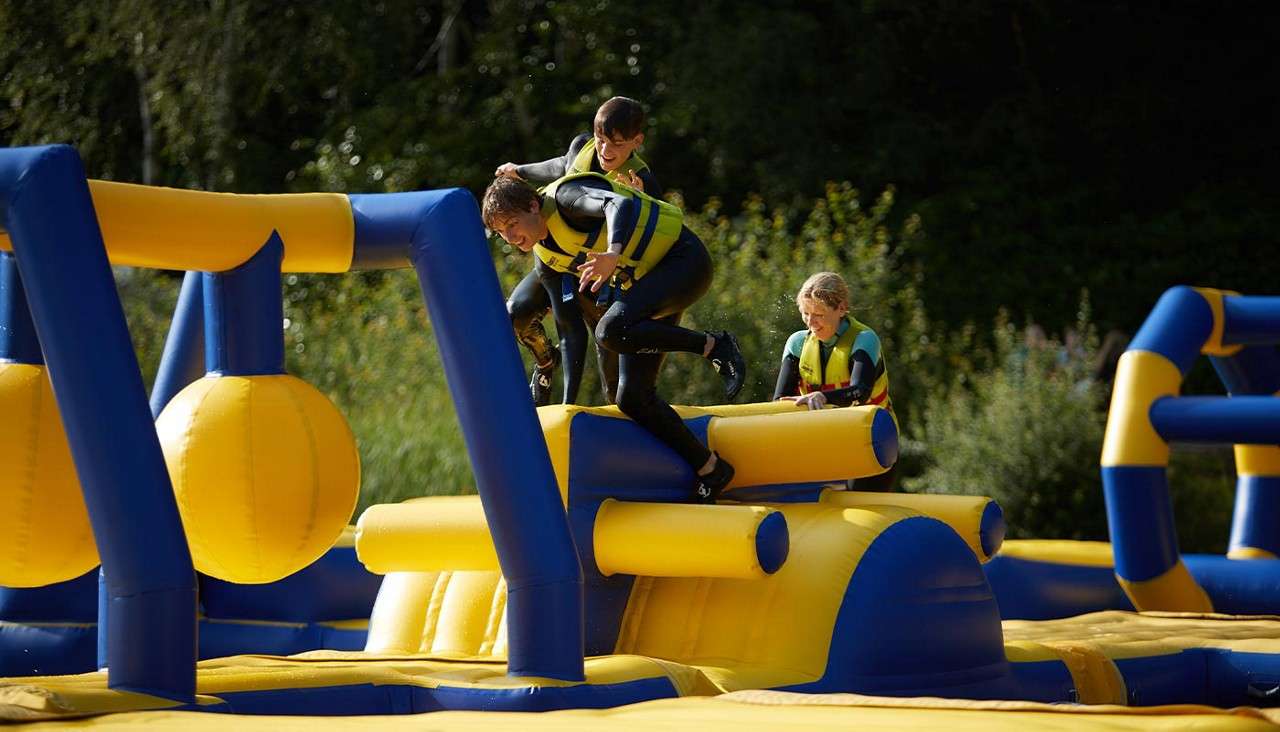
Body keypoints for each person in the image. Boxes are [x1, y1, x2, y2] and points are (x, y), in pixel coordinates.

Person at [481, 173, 746, 503]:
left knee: (610, 331)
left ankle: (713, 345)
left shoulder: (566, 199)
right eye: (501, 232)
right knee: (632, 397)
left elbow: (617, 202)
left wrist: (613, 253)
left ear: (533, 206)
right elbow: (569, 330)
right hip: (648, 288)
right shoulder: (546, 257)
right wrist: (567, 407)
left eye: (512, 224)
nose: (509, 237)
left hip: (684, 263)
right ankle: (711, 469)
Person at [495, 96, 659, 406]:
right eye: (601, 140)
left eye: (617, 144)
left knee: (616, 391)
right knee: (515, 314)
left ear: (636, 142)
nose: (605, 151)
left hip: (602, 278)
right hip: (558, 262)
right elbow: (559, 165)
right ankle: (545, 365)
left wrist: (643, 202)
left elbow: (656, 238)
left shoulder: (643, 180)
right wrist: (520, 170)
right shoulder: (583, 147)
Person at [772, 272, 896, 491]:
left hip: (870, 440)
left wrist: (822, 396)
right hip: (823, 441)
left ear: (841, 308)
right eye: (805, 313)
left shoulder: (864, 339)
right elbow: (778, 402)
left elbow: (861, 391)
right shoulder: (797, 344)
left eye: (818, 314)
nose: (811, 323)